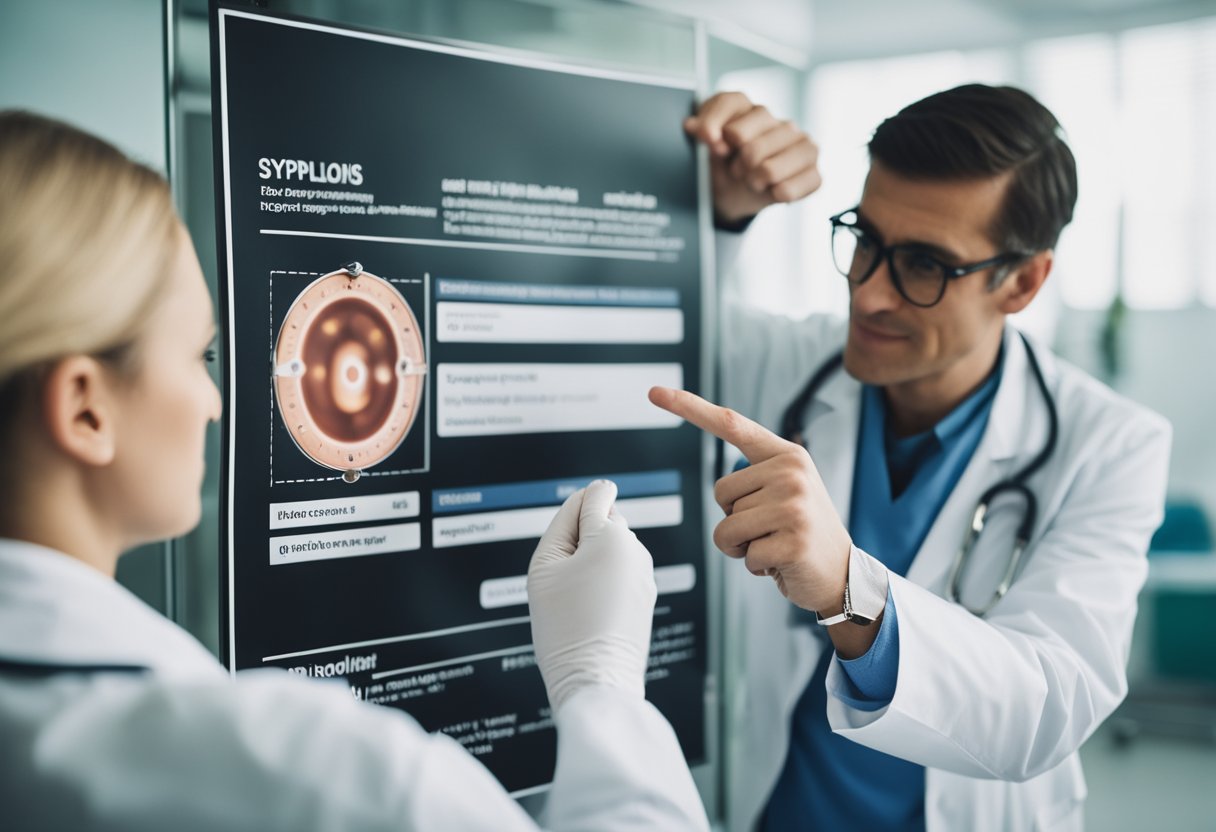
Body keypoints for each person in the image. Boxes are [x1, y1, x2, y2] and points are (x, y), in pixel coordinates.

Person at [0, 111, 709, 832]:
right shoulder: (307, 773)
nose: (215, 404)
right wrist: (603, 682)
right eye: (197, 357)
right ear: (86, 409)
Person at [653, 85, 1172, 830]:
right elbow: (668, 335)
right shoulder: (791, 363)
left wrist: (848, 589)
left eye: (924, 266)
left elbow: (1049, 704)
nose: (868, 295)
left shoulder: (1112, 443)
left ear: (1022, 282)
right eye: (865, 240)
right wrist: (724, 210)